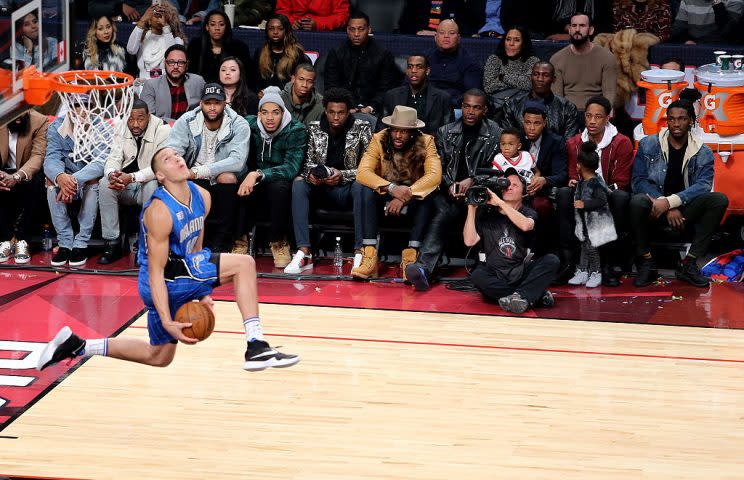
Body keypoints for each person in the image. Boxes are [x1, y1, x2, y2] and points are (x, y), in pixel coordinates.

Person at [37, 147, 299, 373]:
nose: (176, 158)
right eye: (167, 159)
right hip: (162, 280)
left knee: (159, 356)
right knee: (245, 264)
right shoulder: (159, 211)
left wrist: (203, 290)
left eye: (176, 154)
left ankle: (78, 346)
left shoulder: (202, 196)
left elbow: (196, 246)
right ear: (160, 176)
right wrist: (166, 320)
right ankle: (255, 345)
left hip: (182, 272)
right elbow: (155, 272)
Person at [405, 89, 502, 291]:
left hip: (481, 193)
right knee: (443, 212)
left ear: (484, 110)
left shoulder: (495, 133)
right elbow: (435, 167)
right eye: (467, 106)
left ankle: (485, 270)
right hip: (449, 192)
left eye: (476, 107)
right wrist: (451, 185)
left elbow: (498, 169)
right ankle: (423, 269)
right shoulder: (446, 131)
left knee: (484, 211)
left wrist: (473, 181)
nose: (470, 111)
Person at [630, 100, 729, 288]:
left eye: (682, 119)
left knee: (719, 200)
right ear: (667, 121)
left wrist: (671, 202)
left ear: (691, 121)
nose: (676, 124)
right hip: (655, 207)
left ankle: (689, 264)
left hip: (685, 210)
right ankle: (647, 262)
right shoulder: (648, 144)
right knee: (637, 201)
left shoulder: (703, 151)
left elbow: (703, 186)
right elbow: (638, 181)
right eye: (672, 119)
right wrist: (664, 204)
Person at [284, 88, 373, 274]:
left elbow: (369, 168)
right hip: (322, 189)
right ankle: (304, 251)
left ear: (349, 112)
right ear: (325, 110)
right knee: (299, 183)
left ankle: (360, 251)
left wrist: (342, 174)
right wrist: (312, 175)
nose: (336, 117)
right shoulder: (314, 128)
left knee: (361, 185)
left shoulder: (362, 128)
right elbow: (305, 162)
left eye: (341, 112)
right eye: (331, 112)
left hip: (348, 189)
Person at [352, 105, 442, 280]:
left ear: (413, 132)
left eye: (404, 131)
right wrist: (393, 189)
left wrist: (405, 195)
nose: (398, 136)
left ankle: (411, 256)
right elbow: (362, 172)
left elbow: (434, 176)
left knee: (431, 193)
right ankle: (369, 255)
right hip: (385, 190)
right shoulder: (379, 138)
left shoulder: (426, 142)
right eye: (395, 130)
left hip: (414, 194)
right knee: (362, 187)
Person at [557, 95, 633, 286]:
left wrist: (598, 193)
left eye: (598, 116)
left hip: (604, 196)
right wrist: (575, 184)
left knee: (620, 197)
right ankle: (571, 262)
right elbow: (571, 175)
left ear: (608, 118)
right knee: (564, 193)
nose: (592, 121)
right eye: (588, 116)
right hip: (581, 194)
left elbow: (622, 181)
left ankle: (609, 265)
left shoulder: (621, 142)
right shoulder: (574, 143)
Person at [168, 83, 250, 253]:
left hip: (222, 177)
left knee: (226, 177)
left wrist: (197, 172)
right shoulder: (187, 120)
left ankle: (222, 241)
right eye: (208, 103)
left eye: (217, 103)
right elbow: (172, 153)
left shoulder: (238, 123)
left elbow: (237, 161)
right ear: (200, 104)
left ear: (225, 104)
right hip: (193, 176)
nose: (212, 107)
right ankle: (188, 241)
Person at [466, 168, 559, 314]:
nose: (509, 187)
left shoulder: (528, 212)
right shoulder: (488, 214)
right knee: (477, 275)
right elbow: (469, 241)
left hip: (520, 272)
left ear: (524, 192)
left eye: (514, 185)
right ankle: (530, 296)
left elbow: (526, 225)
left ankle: (520, 295)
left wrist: (501, 204)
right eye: (506, 184)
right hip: (495, 274)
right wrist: (471, 208)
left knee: (552, 260)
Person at [235, 87, 308, 268]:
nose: (270, 118)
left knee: (280, 187)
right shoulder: (248, 125)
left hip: (279, 182)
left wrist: (258, 174)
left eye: (275, 113)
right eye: (265, 113)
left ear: (283, 113)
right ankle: (239, 240)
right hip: (253, 181)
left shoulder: (295, 130)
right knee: (234, 182)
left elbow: (291, 168)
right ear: (259, 114)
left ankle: (278, 242)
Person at [97, 99, 171, 264]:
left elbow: (160, 167)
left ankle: (147, 245)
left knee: (152, 185)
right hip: (126, 184)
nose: (135, 124)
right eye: (131, 119)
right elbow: (113, 157)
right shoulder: (121, 127)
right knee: (104, 183)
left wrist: (132, 177)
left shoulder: (163, 130)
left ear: (149, 117)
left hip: (148, 184)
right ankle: (112, 243)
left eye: (140, 119)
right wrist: (112, 174)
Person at [44, 95, 110, 268]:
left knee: (94, 179)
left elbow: (101, 163)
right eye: (77, 106)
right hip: (64, 183)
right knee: (50, 180)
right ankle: (65, 243)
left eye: (86, 106)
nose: (82, 110)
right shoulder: (56, 127)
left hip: (85, 181)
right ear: (70, 108)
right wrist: (60, 177)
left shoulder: (102, 127)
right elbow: (51, 159)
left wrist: (72, 181)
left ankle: (80, 244)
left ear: (93, 108)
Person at [323, 11, 401, 120]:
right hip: (342, 109)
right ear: (347, 30)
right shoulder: (336, 53)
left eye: (361, 29)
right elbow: (331, 85)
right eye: (352, 29)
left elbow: (386, 88)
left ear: (369, 30)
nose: (356, 34)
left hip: (373, 109)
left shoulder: (383, 54)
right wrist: (345, 106)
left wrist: (371, 107)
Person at [0, 111, 49, 265]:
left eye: (22, 113)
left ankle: (23, 240)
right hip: (2, 171)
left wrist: (17, 176)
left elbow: (38, 156)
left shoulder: (40, 121)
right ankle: (6, 239)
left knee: (38, 180)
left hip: (26, 172)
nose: (19, 118)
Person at [568, 141, 617, 288]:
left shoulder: (595, 183)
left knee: (592, 248)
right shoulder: (582, 182)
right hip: (583, 222)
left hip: (594, 223)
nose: (576, 166)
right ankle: (583, 270)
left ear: (581, 165)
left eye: (577, 164)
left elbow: (602, 200)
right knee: (584, 246)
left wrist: (585, 204)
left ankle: (596, 272)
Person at [521, 102, 568, 254]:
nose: (532, 128)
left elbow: (561, 175)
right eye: (528, 123)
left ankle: (543, 252)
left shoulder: (556, 141)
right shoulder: (517, 140)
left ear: (544, 123)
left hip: (542, 192)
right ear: (523, 122)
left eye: (537, 123)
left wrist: (544, 180)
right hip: (517, 191)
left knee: (540, 205)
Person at [549, 12, 617, 117]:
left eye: (582, 26)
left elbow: (609, 94)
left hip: (596, 113)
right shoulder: (557, 59)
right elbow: (557, 98)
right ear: (569, 30)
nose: (577, 29)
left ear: (591, 30)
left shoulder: (607, 58)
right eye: (574, 26)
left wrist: (599, 115)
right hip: (568, 114)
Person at [501, 61, 579, 142]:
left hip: (556, 153)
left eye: (545, 75)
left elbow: (569, 143)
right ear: (530, 77)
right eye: (536, 74)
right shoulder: (512, 105)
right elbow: (508, 141)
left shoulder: (567, 108)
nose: (540, 79)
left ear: (553, 79)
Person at [382, 54, 453, 136]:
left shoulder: (443, 98)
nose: (413, 70)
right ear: (406, 71)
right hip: (398, 146)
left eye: (419, 67)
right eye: (410, 67)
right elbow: (382, 130)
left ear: (427, 71)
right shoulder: (392, 96)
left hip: (431, 146)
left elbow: (448, 133)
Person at [140, 44, 206, 122]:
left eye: (180, 62)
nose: (175, 66)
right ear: (165, 63)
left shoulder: (198, 81)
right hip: (163, 130)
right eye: (171, 62)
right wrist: (177, 125)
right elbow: (149, 117)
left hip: (193, 129)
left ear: (186, 65)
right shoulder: (151, 85)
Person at [482, 25, 539, 115]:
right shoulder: (494, 59)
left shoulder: (532, 61)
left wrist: (502, 77)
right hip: (497, 106)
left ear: (524, 44)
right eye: (508, 39)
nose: (511, 43)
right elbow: (488, 87)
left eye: (516, 40)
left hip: (522, 108)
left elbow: (529, 84)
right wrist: (518, 84)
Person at [427, 19, 483, 109]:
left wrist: (447, 104)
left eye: (451, 33)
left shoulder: (470, 61)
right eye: (442, 33)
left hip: (455, 107)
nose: (446, 36)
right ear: (435, 37)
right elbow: (408, 86)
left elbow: (472, 93)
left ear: (458, 38)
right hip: (426, 104)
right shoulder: (425, 58)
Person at [187, 10, 252, 83]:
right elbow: (190, 74)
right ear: (207, 27)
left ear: (226, 27)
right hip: (201, 89)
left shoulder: (239, 48)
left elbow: (247, 76)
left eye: (221, 24)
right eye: (213, 24)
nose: (217, 28)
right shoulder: (196, 45)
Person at [126, 2, 186, 81]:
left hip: (165, 84)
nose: (159, 16)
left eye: (164, 13)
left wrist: (166, 27)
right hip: (142, 84)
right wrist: (143, 20)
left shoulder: (177, 40)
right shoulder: (142, 37)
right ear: (149, 20)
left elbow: (172, 57)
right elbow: (131, 50)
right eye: (156, 14)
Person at [254, 14, 312, 92]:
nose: (275, 32)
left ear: (286, 31)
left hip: (288, 97)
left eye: (280, 29)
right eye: (271, 29)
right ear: (267, 31)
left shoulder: (296, 53)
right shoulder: (260, 52)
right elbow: (254, 80)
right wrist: (258, 92)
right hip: (264, 97)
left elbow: (300, 83)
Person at [397, 0, 487, 37]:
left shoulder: (456, 2)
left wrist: (447, 33)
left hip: (445, 40)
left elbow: (465, 24)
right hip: (420, 38)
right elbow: (404, 24)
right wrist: (419, 32)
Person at [671, 0, 744, 44]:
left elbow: (727, 30)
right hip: (694, 44)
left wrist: (717, 3)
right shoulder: (687, 1)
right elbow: (679, 27)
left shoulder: (735, 1)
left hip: (723, 45)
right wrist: (686, 40)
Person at [276, 0, 350, 31]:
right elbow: (282, 12)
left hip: (325, 34)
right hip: (292, 33)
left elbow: (342, 15)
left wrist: (318, 24)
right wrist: (291, 23)